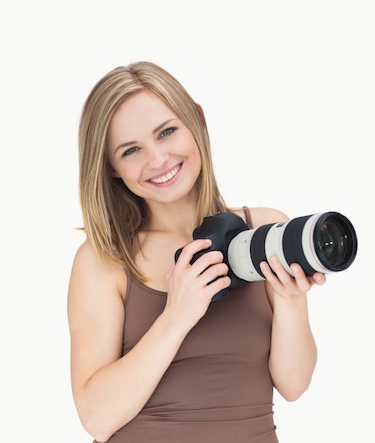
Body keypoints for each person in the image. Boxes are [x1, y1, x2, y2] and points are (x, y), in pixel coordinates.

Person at [67, 60, 326, 443]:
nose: (158, 160)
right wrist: (176, 316)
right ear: (111, 169)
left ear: (198, 121)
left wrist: (290, 301)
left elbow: (293, 385)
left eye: (167, 131)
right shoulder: (104, 259)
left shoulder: (265, 231)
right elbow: (97, 417)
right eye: (131, 150)